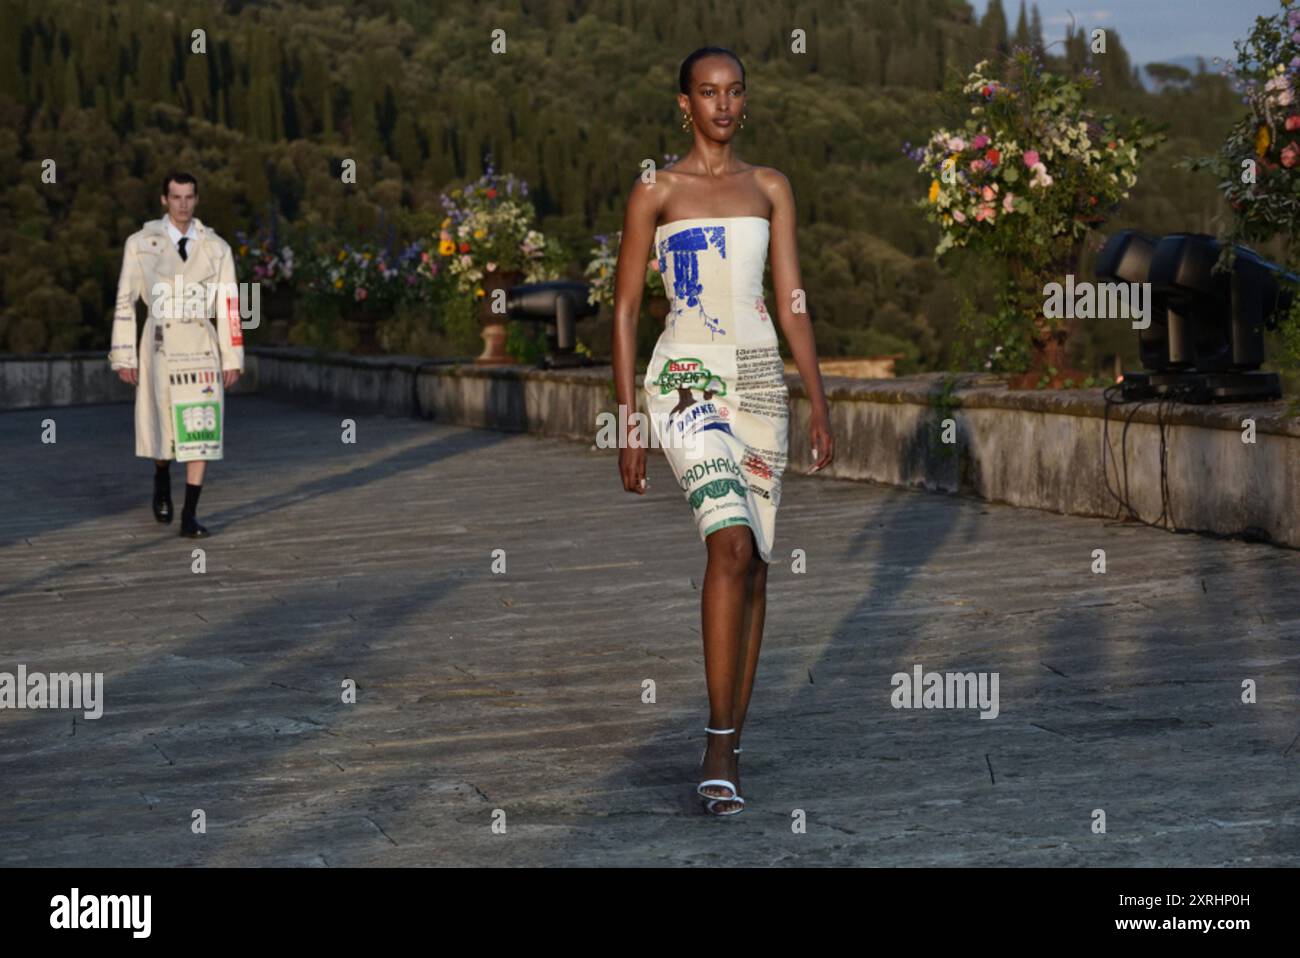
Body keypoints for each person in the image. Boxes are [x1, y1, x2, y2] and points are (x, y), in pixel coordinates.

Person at [612, 48, 835, 815]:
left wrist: (819, 395)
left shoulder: (771, 187)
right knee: (730, 544)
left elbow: (792, 298)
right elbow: (622, 307)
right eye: (708, 92)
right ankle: (715, 745)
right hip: (684, 381)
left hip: (761, 383)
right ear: (684, 103)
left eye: (735, 91)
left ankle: (733, 743)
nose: (723, 104)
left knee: (759, 564)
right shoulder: (656, 189)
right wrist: (626, 419)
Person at [108, 172, 244, 538]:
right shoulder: (140, 244)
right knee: (163, 425)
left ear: (196, 200)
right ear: (164, 200)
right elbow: (125, 299)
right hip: (160, 346)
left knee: (201, 427)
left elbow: (230, 306)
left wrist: (232, 358)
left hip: (201, 346)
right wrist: (123, 355)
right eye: (176, 197)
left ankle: (189, 515)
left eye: (189, 197)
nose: (183, 204)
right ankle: (162, 476)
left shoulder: (217, 247)